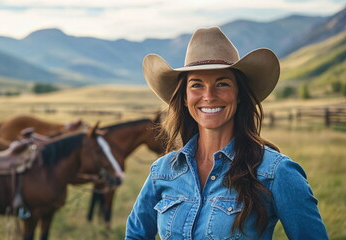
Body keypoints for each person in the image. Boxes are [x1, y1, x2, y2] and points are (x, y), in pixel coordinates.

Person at [125, 27, 328, 239]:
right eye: (196, 85)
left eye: (222, 83)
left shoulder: (276, 172)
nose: (209, 96)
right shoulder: (163, 171)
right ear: (185, 98)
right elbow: (135, 235)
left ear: (239, 94)